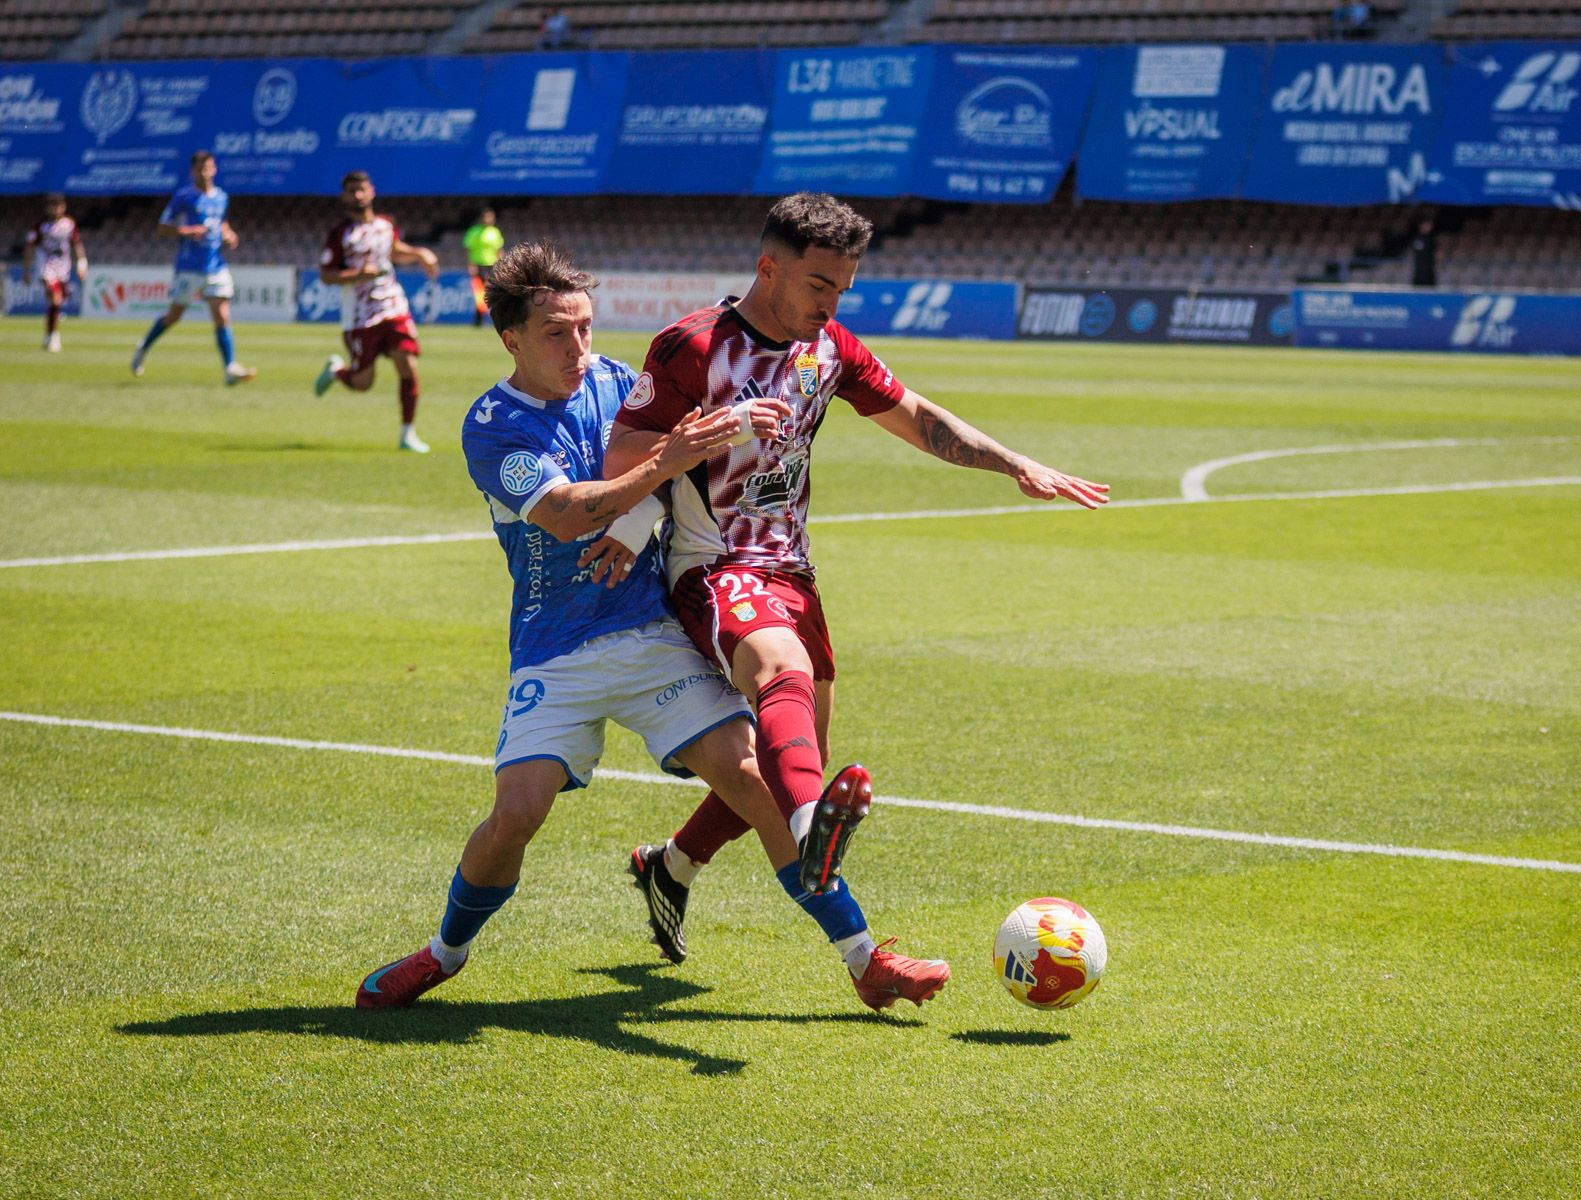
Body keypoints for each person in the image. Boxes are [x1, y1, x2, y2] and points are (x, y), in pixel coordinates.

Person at [354, 240, 950, 1012]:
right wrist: (666, 462)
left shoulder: (616, 381)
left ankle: (867, 961)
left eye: (585, 328)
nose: (579, 349)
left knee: (755, 781)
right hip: (556, 647)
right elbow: (569, 515)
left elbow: (680, 475)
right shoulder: (493, 425)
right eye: (555, 334)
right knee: (516, 816)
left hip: (654, 630)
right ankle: (443, 954)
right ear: (511, 340)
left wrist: (647, 507)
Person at [601, 191, 1108, 949]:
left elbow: (915, 414)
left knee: (800, 751)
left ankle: (671, 866)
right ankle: (812, 839)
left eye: (842, 289)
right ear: (769, 268)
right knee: (778, 676)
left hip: (792, 573)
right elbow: (622, 464)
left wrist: (1012, 464)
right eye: (818, 286)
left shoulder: (828, 346)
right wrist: (711, 436)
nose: (831, 303)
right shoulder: (691, 348)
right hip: (714, 563)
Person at [312, 170, 439, 453]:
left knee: (408, 364)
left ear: (372, 191)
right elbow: (326, 275)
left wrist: (420, 254)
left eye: (362, 189)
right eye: (352, 191)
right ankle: (336, 371)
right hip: (360, 314)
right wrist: (357, 274)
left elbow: (394, 251)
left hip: (392, 304)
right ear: (344, 196)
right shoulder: (340, 234)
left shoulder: (385, 224)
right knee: (362, 383)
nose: (358, 195)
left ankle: (407, 434)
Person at [130, 150, 256, 386]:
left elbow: (223, 224)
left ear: (215, 169)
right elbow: (162, 227)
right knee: (174, 315)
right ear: (193, 171)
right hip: (188, 267)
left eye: (209, 167)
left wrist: (229, 235)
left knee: (222, 315)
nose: (205, 172)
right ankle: (144, 347)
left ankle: (230, 367)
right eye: (200, 168)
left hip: (215, 265)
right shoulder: (184, 197)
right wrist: (187, 231)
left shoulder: (221, 197)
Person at [23, 192, 85, 353]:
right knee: (56, 299)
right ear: (47, 208)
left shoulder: (69, 224)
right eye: (53, 206)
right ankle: (54, 337)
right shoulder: (40, 226)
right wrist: (26, 270)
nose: (56, 209)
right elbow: (29, 247)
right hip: (46, 266)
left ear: (63, 207)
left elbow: (76, 244)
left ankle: (48, 334)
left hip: (63, 267)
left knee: (58, 301)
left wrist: (82, 263)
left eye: (59, 206)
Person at [463, 206, 504, 328]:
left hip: (492, 265)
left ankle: (492, 319)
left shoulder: (495, 232)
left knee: (491, 293)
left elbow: (499, 250)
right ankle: (479, 319)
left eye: (490, 217)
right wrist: (471, 264)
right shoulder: (474, 231)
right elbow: (468, 249)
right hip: (478, 265)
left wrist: (502, 265)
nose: (488, 219)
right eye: (486, 217)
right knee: (479, 293)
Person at [1410, 215, 1437, 288]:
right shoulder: (1417, 239)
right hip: (1419, 274)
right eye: (1427, 224)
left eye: (1430, 225)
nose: (1429, 227)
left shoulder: (1432, 240)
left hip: (1429, 273)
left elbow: (1437, 255)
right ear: (1421, 225)